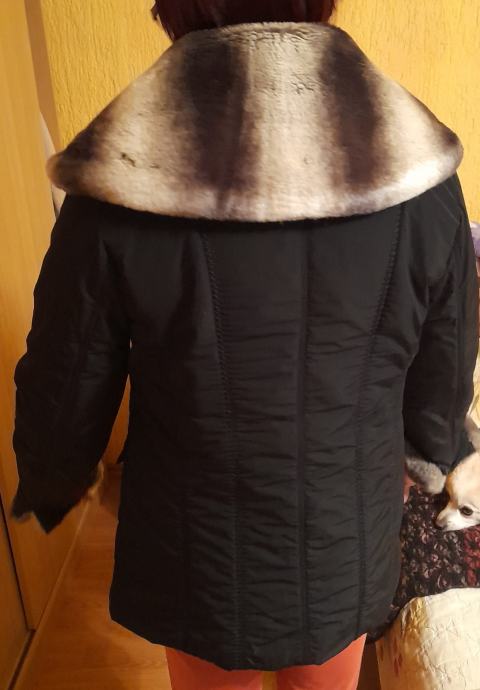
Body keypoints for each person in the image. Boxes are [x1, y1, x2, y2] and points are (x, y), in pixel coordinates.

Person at [10, 1, 478, 689]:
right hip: (345, 528)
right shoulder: (418, 175)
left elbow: (67, 370)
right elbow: (446, 368)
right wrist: (433, 458)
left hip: (192, 540)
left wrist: (52, 475)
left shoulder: (118, 174)